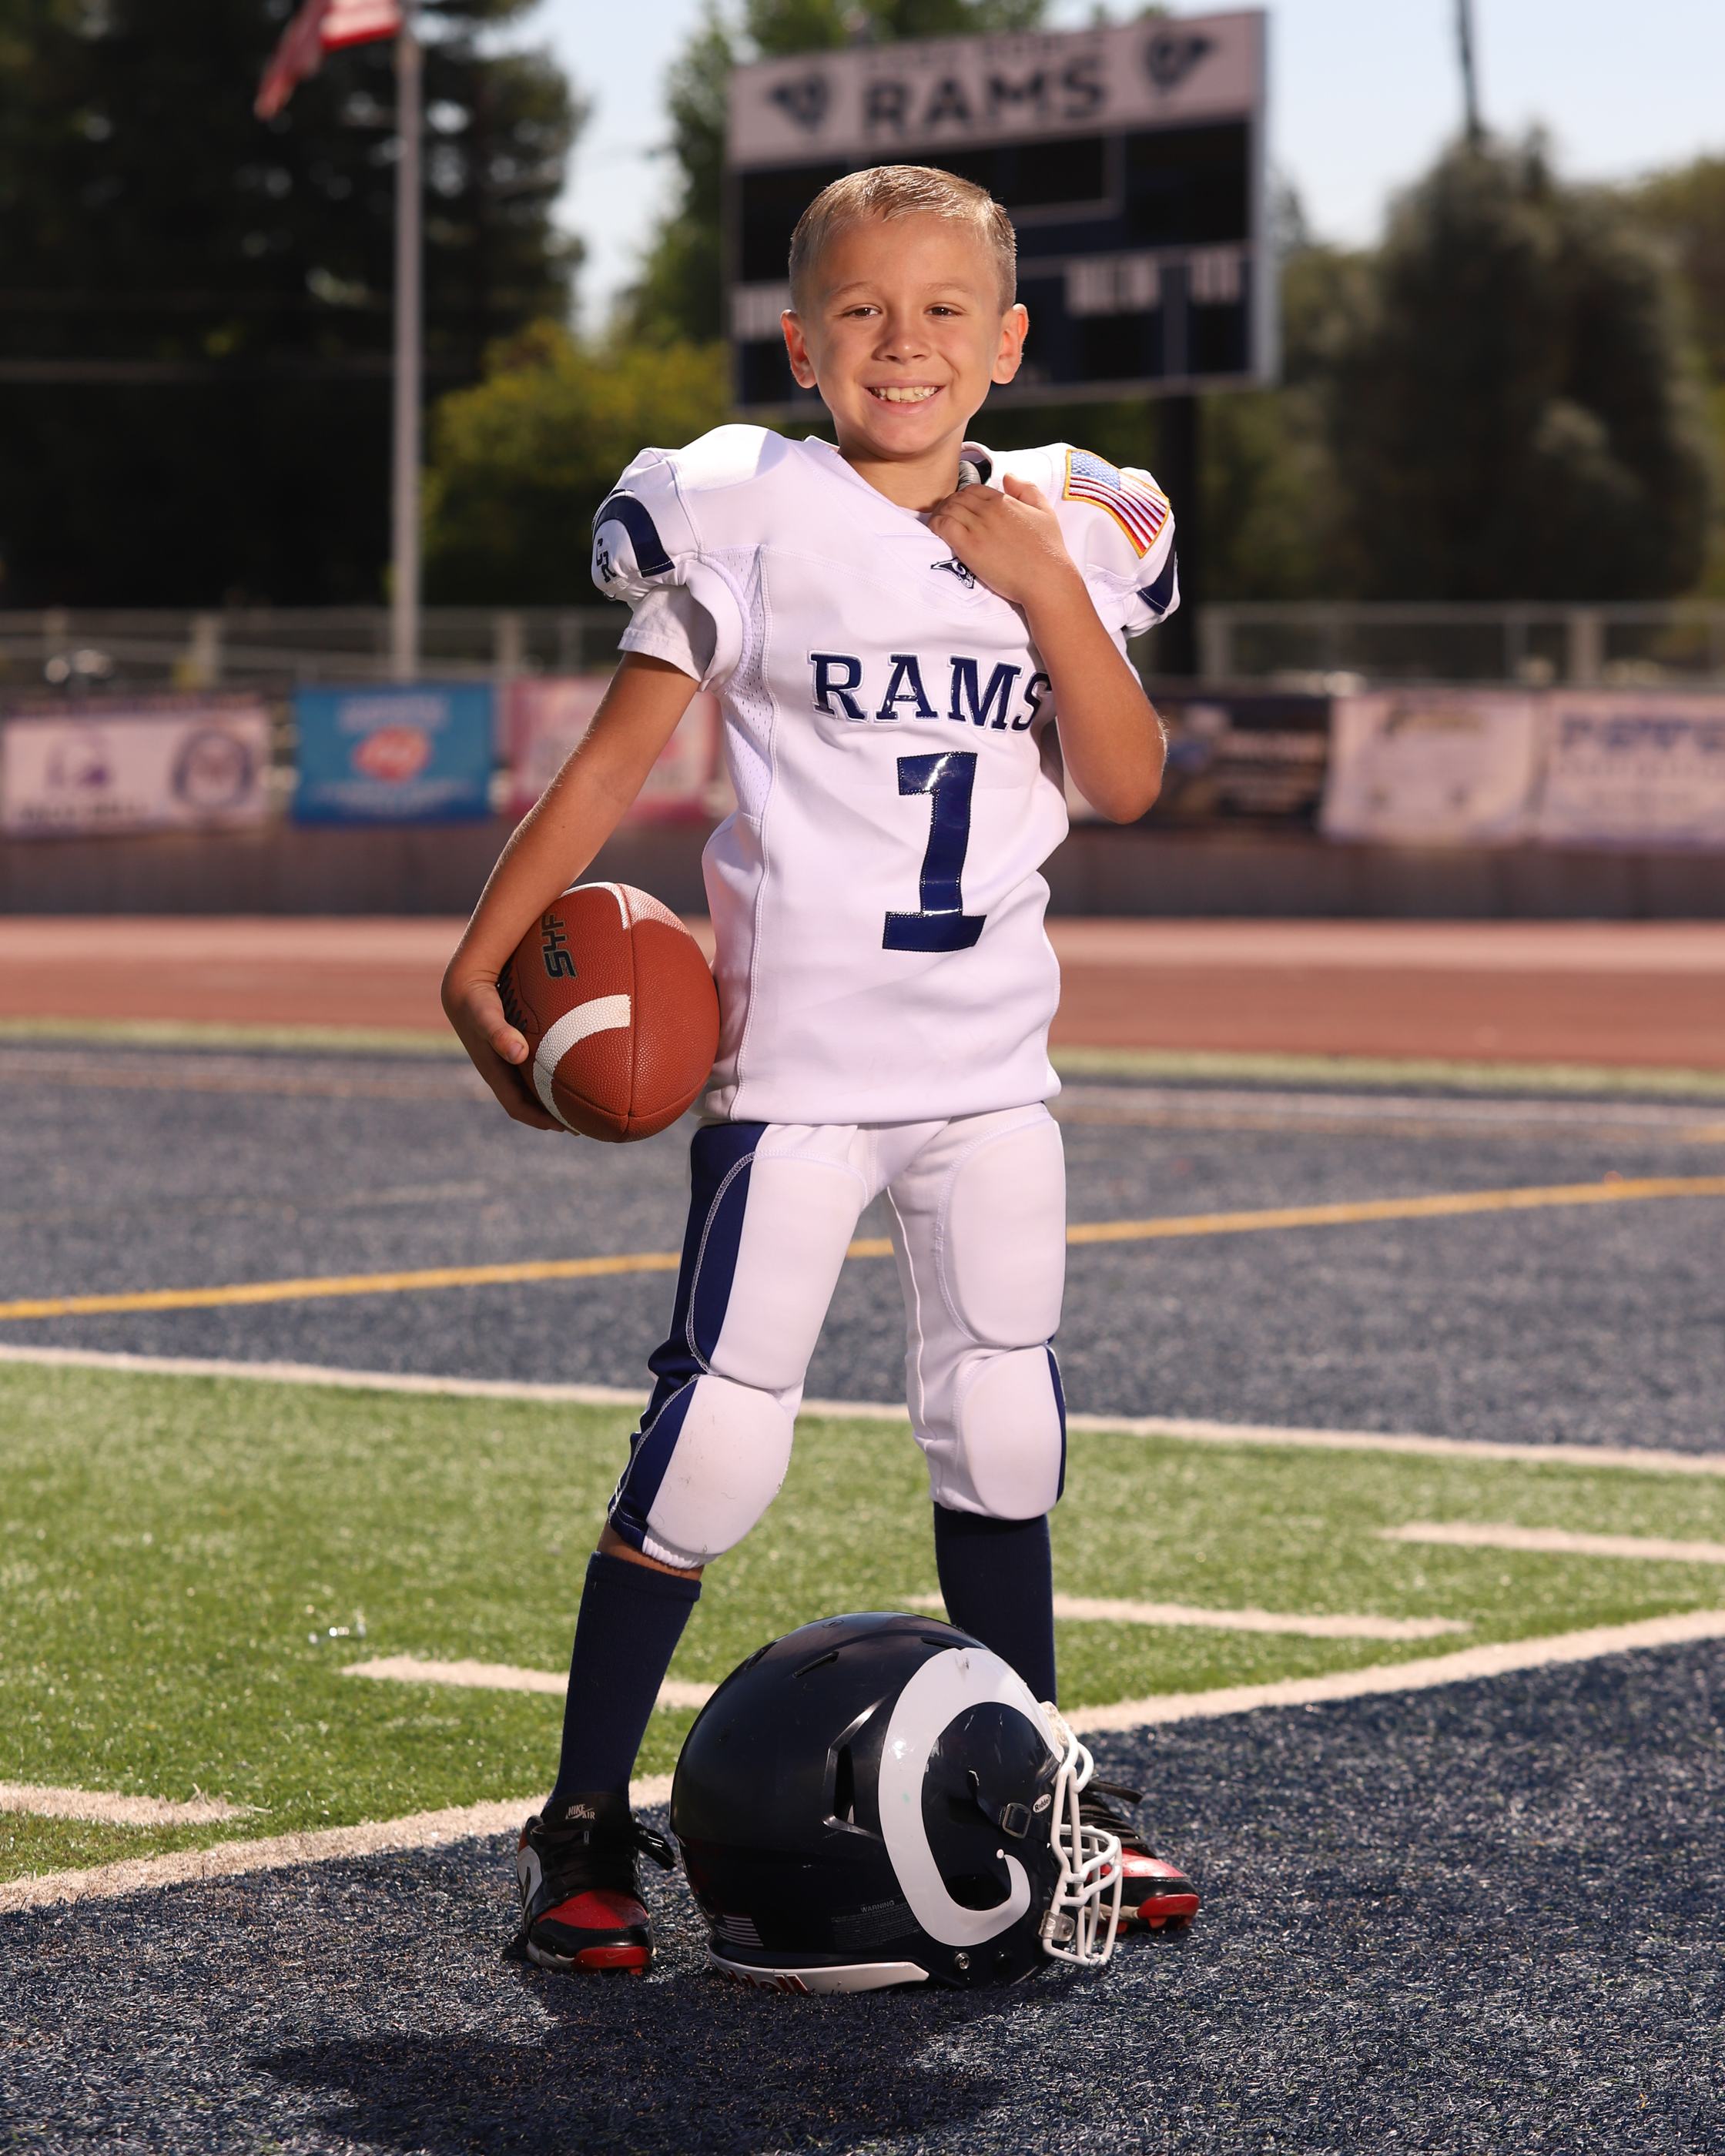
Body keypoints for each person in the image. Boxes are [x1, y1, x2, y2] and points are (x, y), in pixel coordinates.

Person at [442, 163, 1196, 1976]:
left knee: (1002, 1427)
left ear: (1007, 343)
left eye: (943, 310)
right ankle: (579, 1822)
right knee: (712, 1441)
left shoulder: (1069, 524)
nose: (901, 342)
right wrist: (480, 949)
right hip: (795, 1070)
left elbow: (1125, 778)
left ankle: (1035, 1791)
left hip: (990, 1070)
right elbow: (618, 761)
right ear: (800, 342)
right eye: (861, 310)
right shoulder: (747, 511)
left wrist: (1043, 585)